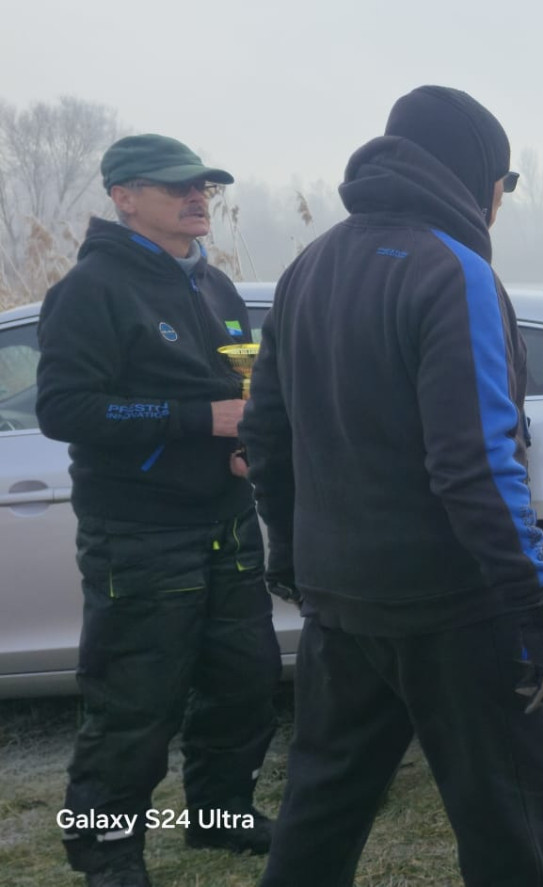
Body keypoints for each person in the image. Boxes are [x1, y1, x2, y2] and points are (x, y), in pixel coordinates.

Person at [243, 85, 543, 886]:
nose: (502, 202)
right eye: (503, 183)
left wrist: (291, 555)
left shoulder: (307, 265)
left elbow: (266, 436)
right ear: (477, 175)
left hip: (340, 602)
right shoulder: (453, 269)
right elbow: (476, 463)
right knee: (509, 825)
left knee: (319, 812)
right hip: (455, 609)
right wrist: (536, 602)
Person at [37, 134, 278, 887]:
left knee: (245, 682)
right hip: (140, 530)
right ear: (125, 197)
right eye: (177, 187)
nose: (197, 196)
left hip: (227, 517)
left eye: (203, 185)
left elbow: (240, 389)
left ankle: (220, 814)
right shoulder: (92, 289)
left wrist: (245, 444)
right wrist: (196, 421)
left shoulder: (217, 285)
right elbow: (64, 408)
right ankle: (107, 854)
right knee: (133, 703)